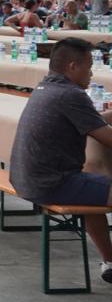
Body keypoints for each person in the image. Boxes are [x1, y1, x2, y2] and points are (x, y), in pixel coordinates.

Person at [9, 38, 112, 283]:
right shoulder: (71, 94)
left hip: (26, 179)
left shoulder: (47, 87)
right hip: (53, 183)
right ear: (73, 67)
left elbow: (89, 120)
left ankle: (110, 260)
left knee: (93, 189)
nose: (91, 72)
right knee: (95, 184)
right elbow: (108, 138)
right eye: (89, 66)